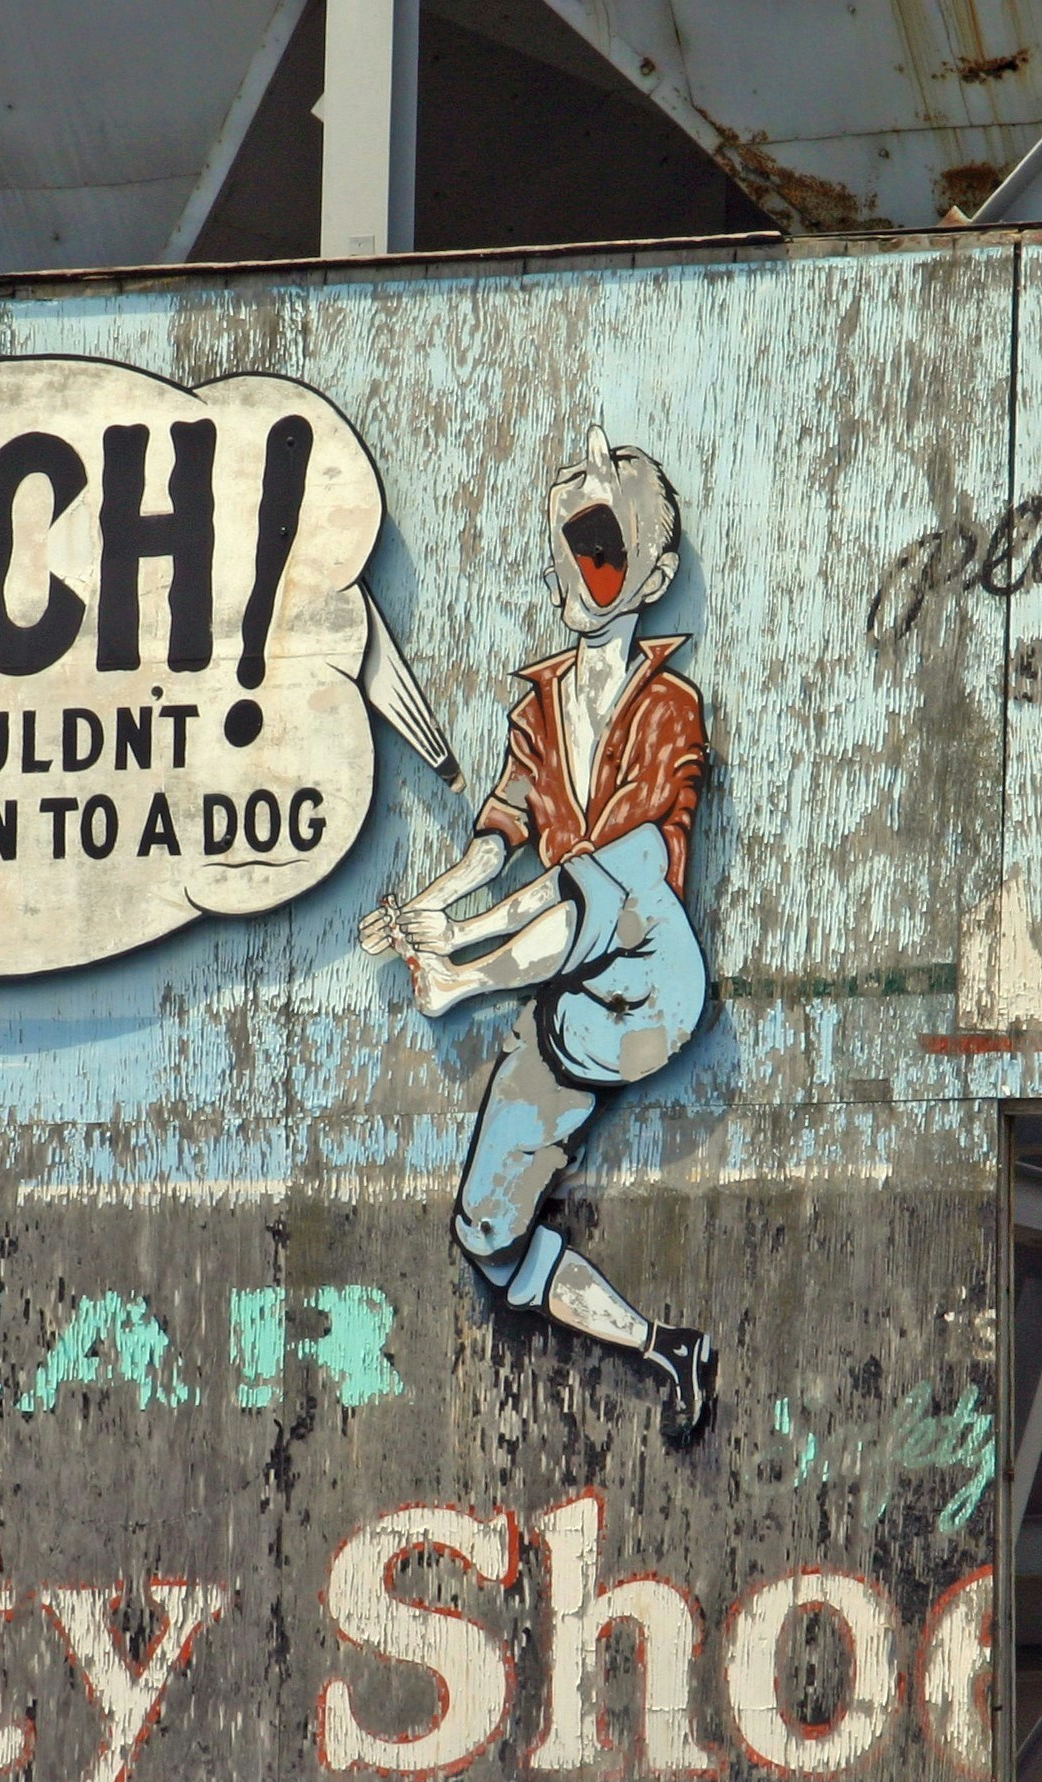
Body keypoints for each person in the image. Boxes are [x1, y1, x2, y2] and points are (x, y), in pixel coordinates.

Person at [359, 427, 717, 1446]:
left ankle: (463, 983)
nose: (572, 570)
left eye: (596, 549)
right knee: (486, 1229)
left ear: (652, 573)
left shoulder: (672, 708)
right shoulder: (539, 709)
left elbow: (621, 863)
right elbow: (498, 843)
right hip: (573, 1005)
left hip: (656, 975)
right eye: (566, 549)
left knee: (617, 871)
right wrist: (435, 906)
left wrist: (464, 957)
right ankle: (662, 1348)